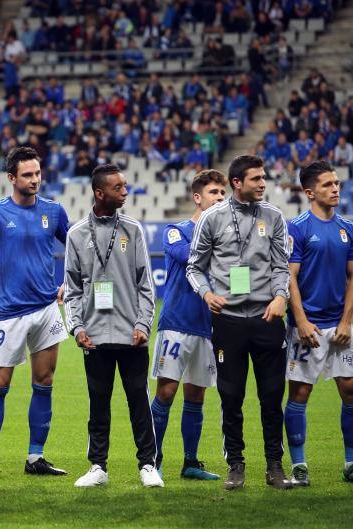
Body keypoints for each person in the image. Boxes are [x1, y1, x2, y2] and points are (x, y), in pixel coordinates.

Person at [186, 154, 293, 490]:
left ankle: (275, 465)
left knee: (272, 395)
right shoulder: (213, 218)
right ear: (237, 183)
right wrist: (206, 294)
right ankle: (236, 464)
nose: (263, 184)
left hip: (267, 317)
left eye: (264, 178)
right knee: (231, 396)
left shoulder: (274, 216)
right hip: (229, 321)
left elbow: (280, 266)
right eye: (256, 179)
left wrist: (281, 297)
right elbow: (194, 267)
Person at [0, 146, 70, 478]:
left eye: (37, 173)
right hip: (9, 314)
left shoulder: (54, 212)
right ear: (12, 178)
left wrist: (69, 281)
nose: (35, 180)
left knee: (44, 380)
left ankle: (35, 457)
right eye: (27, 175)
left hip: (47, 311)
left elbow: (79, 250)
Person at [63, 163, 161, 488]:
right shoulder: (77, 235)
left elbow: (146, 285)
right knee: (98, 403)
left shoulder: (132, 230)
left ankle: (148, 465)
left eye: (125, 186)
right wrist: (77, 328)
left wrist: (143, 324)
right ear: (99, 192)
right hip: (93, 337)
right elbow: (73, 288)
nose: (125, 192)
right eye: (119, 188)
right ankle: (97, 467)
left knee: (138, 401)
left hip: (131, 335)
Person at [150, 170, 228, 481]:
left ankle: (190, 463)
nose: (220, 198)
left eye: (223, 194)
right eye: (213, 193)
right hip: (176, 326)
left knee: (196, 396)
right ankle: (152, 461)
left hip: (207, 329)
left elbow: (238, 279)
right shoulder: (176, 231)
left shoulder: (225, 238)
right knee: (166, 392)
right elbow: (186, 255)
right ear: (197, 197)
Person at [283, 160, 353, 485]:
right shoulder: (297, 228)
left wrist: (347, 321)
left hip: (340, 326)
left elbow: (352, 277)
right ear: (310, 192)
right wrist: (300, 321)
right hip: (308, 326)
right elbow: (290, 278)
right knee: (299, 393)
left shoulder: (347, 228)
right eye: (327, 184)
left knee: (351, 391)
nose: (335, 188)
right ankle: (299, 465)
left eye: (337, 183)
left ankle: (351, 462)